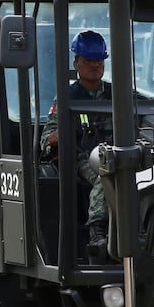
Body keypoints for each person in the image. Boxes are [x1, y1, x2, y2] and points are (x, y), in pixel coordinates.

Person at [40, 30, 114, 251]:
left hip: (117, 153)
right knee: (106, 174)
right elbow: (47, 140)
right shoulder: (67, 97)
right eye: (88, 61)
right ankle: (97, 231)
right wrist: (59, 136)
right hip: (83, 159)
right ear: (76, 62)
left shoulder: (117, 94)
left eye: (99, 61)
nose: (95, 66)